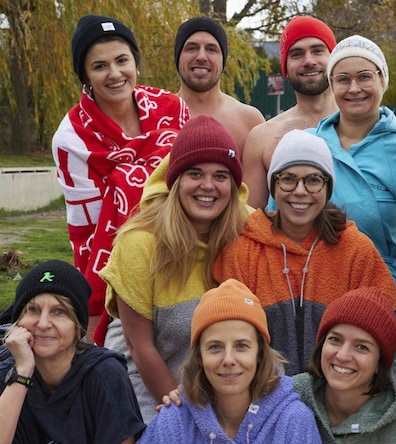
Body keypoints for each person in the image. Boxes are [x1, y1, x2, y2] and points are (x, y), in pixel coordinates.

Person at [214, 129, 396, 375]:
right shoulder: (243, 249)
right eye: (288, 178)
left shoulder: (356, 249)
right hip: (263, 398)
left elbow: (381, 332)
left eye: (313, 180)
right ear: (273, 185)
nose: (300, 191)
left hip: (337, 398)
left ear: (328, 187)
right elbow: (227, 335)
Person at [99, 115, 249, 422]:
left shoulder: (246, 231)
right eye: (195, 173)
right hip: (155, 390)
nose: (208, 186)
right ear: (176, 178)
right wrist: (185, 419)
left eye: (221, 176)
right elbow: (139, 346)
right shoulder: (139, 243)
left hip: (228, 392)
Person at [51, 14, 189, 345]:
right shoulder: (72, 137)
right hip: (115, 258)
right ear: (85, 74)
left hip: (183, 245)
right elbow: (90, 228)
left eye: (122, 60)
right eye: (99, 66)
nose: (114, 73)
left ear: (135, 63)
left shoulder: (172, 109)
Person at [308, 34, 396, 375]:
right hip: (319, 296)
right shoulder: (308, 147)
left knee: (389, 407)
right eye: (343, 79)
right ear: (331, 85)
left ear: (383, 80)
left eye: (365, 76)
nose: (354, 88)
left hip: (389, 297)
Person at [0, 260, 144, 444]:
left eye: (59, 311)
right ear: (18, 322)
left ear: (77, 324)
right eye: (33, 310)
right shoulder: (5, 376)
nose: (43, 324)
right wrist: (22, 373)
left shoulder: (104, 373)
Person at [135, 279, 323, 444]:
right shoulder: (174, 421)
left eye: (241, 346)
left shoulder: (294, 421)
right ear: (199, 356)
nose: (229, 360)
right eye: (215, 347)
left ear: (259, 353)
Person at [293, 286, 396, 444]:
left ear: (380, 363)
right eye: (335, 339)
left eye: (362, 347)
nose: (343, 356)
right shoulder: (287, 402)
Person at [243, 16, 338, 209]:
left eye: (318, 50)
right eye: (297, 54)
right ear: (285, 67)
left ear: (335, 58)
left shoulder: (370, 127)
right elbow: (251, 223)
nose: (309, 61)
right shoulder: (262, 138)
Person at [174, 15, 265, 152]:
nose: (201, 57)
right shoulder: (159, 117)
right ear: (178, 57)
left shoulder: (249, 121)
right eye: (192, 48)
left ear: (223, 59)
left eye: (211, 49)